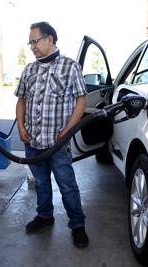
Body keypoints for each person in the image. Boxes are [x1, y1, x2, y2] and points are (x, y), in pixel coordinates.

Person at [14, 21, 89, 248]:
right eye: (30, 43)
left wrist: (69, 129)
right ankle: (45, 217)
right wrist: (21, 127)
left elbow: (81, 99)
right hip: (33, 142)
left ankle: (77, 225)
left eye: (35, 41)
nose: (32, 46)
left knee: (67, 185)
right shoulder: (29, 70)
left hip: (57, 143)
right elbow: (21, 101)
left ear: (50, 39)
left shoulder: (70, 67)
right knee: (41, 183)